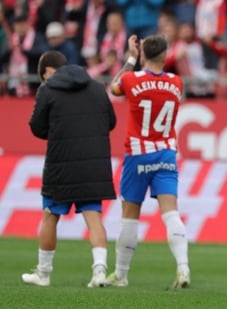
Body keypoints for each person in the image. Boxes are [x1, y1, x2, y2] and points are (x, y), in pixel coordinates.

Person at [23, 50, 117, 287]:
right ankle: (99, 272)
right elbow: (111, 121)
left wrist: (57, 131)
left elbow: (36, 126)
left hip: (60, 164)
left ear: (47, 71)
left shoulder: (48, 89)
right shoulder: (96, 87)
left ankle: (43, 274)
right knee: (94, 217)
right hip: (94, 163)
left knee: (50, 216)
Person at [106, 34, 190, 288]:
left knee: (130, 216)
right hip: (165, 153)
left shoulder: (131, 79)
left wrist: (131, 57)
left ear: (144, 55)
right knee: (171, 213)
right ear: (165, 56)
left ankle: (121, 274)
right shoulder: (177, 82)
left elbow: (114, 87)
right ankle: (183, 269)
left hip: (138, 154)